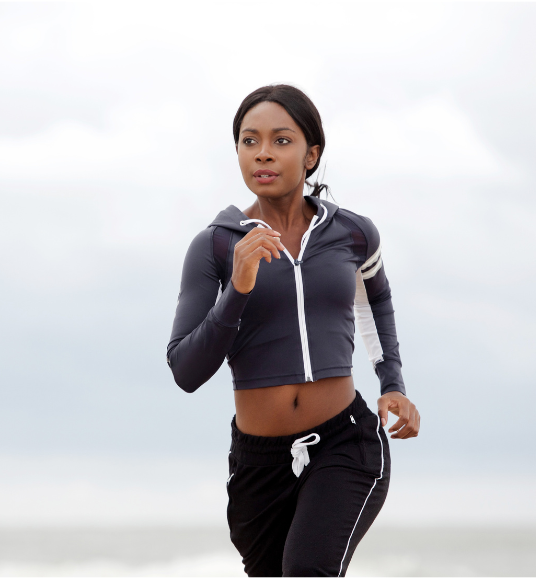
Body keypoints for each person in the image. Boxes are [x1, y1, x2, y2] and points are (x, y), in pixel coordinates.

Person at [167, 84, 420, 578]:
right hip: (259, 464)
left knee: (308, 571)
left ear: (312, 154)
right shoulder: (216, 246)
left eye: (281, 140)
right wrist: (236, 290)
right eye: (249, 140)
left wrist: (392, 384)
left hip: (344, 443)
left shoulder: (351, 233)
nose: (263, 152)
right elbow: (186, 369)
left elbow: (376, 301)